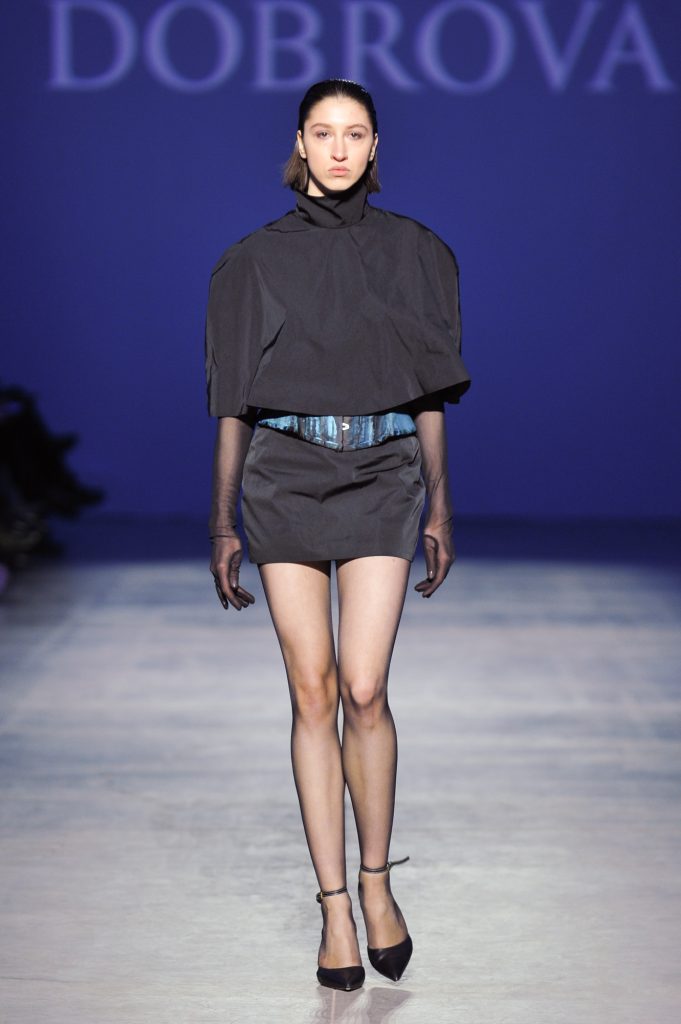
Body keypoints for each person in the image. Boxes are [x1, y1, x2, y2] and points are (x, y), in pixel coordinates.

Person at [205, 79, 471, 992]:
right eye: (323, 133)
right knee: (312, 692)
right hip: (283, 476)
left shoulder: (418, 253)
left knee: (364, 687)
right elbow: (231, 403)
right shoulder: (251, 261)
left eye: (354, 133)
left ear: (374, 145)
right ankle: (332, 910)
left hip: (383, 474)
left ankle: (377, 882)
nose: (339, 149)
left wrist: (438, 505)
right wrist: (223, 522)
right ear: (299, 143)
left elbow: (430, 392)